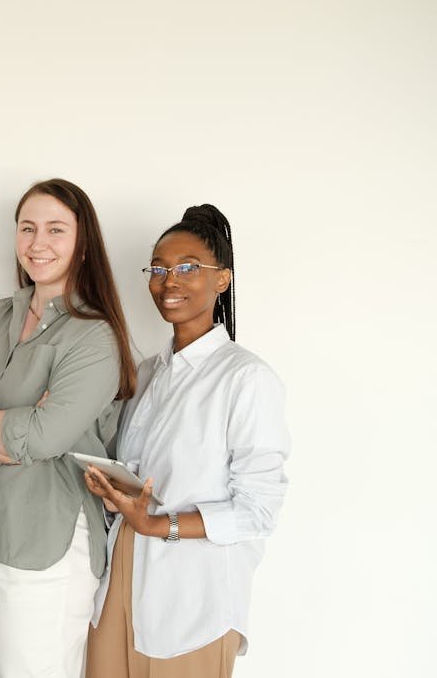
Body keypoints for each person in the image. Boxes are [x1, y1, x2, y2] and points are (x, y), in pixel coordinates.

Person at [84, 204, 290, 678]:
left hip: (195, 595)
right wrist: (115, 492)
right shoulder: (150, 372)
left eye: (187, 268)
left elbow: (259, 509)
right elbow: (143, 478)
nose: (168, 280)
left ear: (222, 280)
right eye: (158, 268)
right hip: (123, 574)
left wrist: (160, 525)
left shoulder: (247, 379)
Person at [0, 178, 137, 678]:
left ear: (82, 244)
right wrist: (15, 433)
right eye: (27, 228)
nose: (38, 243)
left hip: (46, 545)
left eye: (56, 230)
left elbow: (44, 439)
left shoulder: (95, 335)